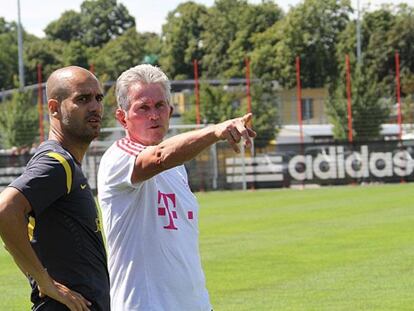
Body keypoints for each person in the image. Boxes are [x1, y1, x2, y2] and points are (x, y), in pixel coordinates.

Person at [97, 64, 256, 311]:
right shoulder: (119, 157)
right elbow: (159, 156)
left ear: (170, 111)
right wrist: (215, 131)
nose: (154, 115)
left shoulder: (176, 167)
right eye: (143, 108)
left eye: (160, 106)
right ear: (122, 117)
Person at [0, 66, 110, 311]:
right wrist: (44, 281)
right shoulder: (57, 163)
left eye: (98, 98)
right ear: (54, 108)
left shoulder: (67, 164)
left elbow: (16, 237)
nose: (95, 107)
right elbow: (5, 209)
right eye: (82, 99)